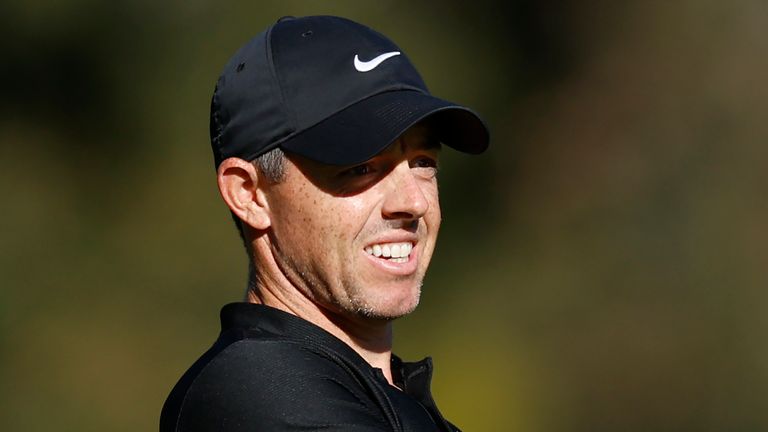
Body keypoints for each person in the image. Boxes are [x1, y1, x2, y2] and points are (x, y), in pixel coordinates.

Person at [160, 15, 489, 432]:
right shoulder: (255, 392)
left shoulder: (382, 395)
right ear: (248, 193)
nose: (414, 201)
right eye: (362, 167)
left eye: (423, 163)